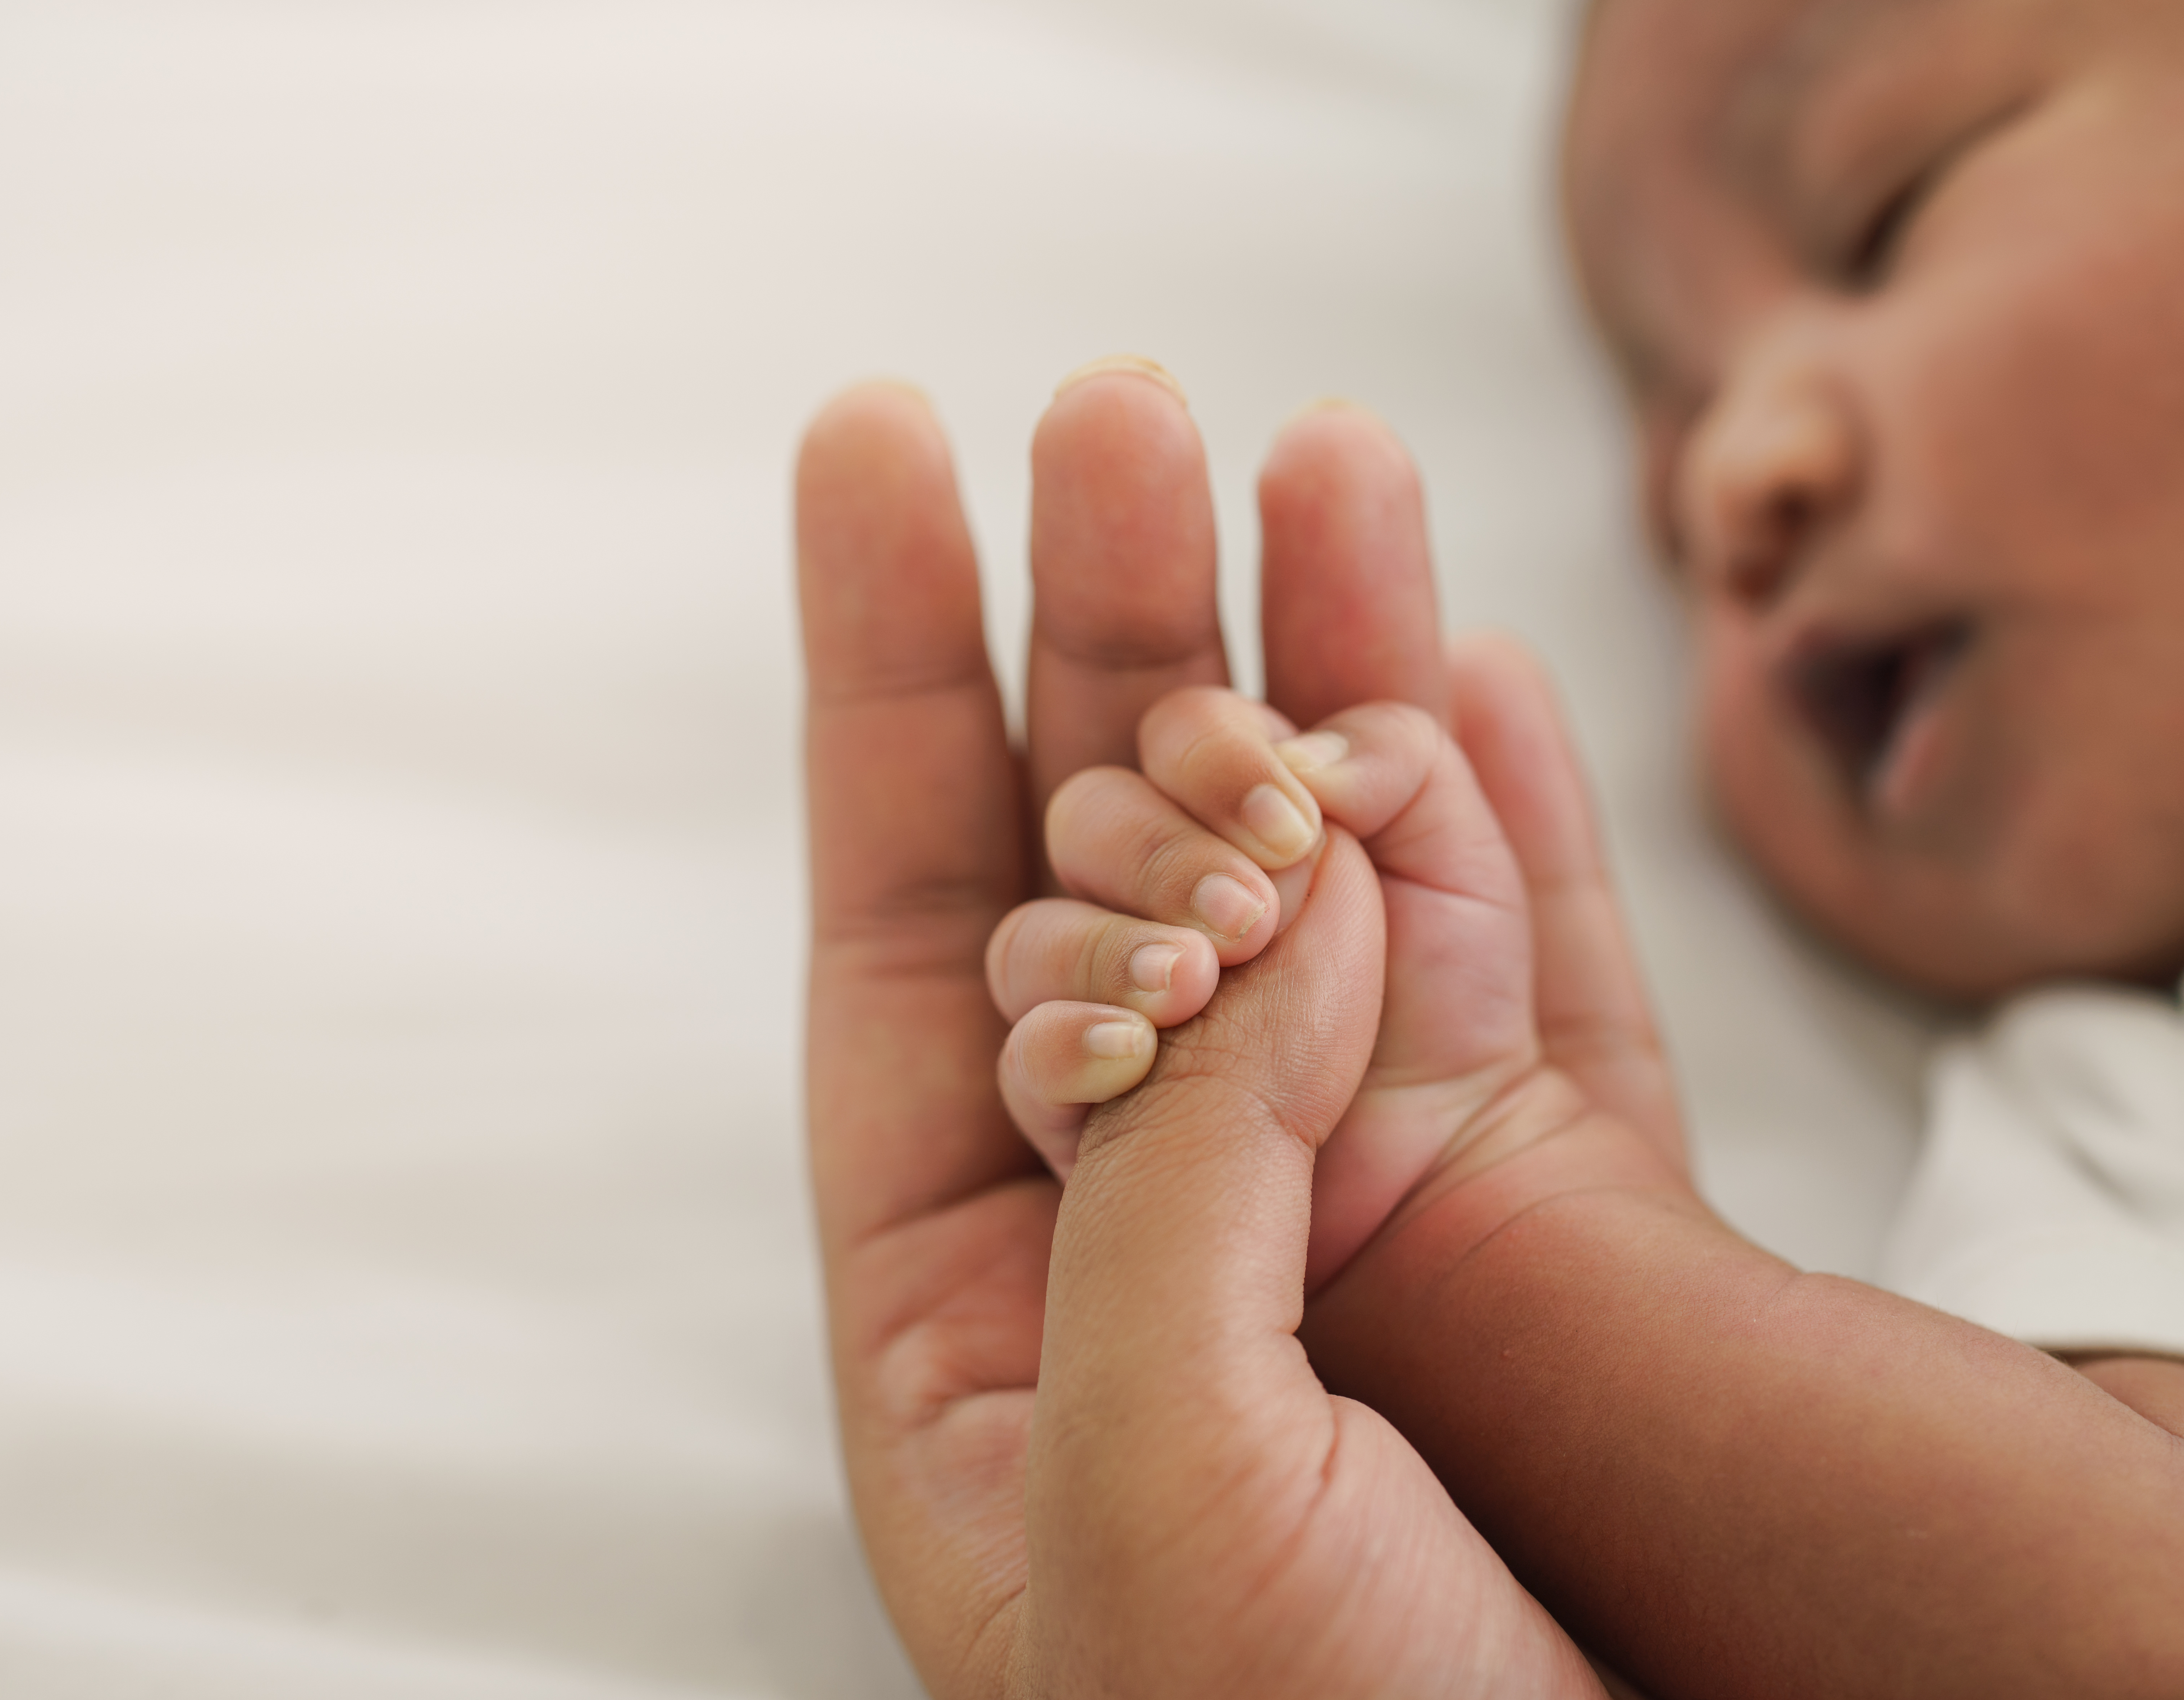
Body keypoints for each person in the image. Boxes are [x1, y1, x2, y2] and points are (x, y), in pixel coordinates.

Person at [790, 0, 2184, 1692]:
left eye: (1887, 205)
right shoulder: (2105, 1120)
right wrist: (1467, 1229)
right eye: (1665, 514)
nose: (1737, 474)